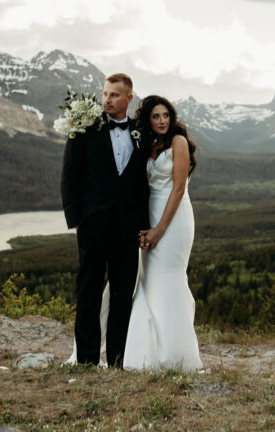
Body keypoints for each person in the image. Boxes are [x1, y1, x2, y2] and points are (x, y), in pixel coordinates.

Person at [60, 73, 149, 367]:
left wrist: (145, 223)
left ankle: (117, 360)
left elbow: (141, 183)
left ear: (128, 98)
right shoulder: (85, 129)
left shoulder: (141, 131)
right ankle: (86, 359)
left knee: (123, 295)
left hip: (128, 229)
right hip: (92, 226)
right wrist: (76, 220)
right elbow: (69, 176)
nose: (107, 99)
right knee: (89, 292)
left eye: (113, 95)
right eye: (105, 94)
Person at [123, 95, 202, 371]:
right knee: (148, 280)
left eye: (166, 115)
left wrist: (159, 230)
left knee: (170, 278)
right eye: (156, 116)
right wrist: (143, 227)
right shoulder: (148, 144)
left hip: (175, 217)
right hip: (151, 214)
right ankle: (147, 354)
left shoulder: (178, 142)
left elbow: (178, 188)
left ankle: (177, 355)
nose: (162, 121)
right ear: (148, 119)